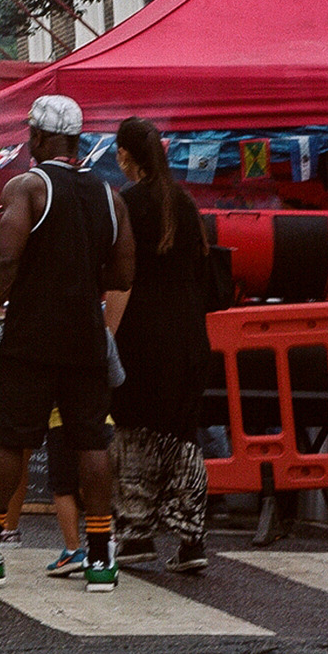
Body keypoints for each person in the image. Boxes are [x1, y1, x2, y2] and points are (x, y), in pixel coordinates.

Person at [0, 94, 134, 593]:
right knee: (90, 440)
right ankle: (100, 556)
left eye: (30, 132)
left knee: (12, 440)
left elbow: (5, 260)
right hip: (87, 338)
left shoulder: (28, 186)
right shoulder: (109, 196)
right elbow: (124, 271)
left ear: (38, 138)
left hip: (31, 335)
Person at [111, 116, 213, 573]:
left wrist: (105, 337)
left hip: (141, 337)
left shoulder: (126, 204)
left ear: (125, 157)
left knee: (136, 434)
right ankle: (192, 541)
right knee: (183, 437)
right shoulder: (186, 203)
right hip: (189, 336)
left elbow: (120, 279)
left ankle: (135, 536)